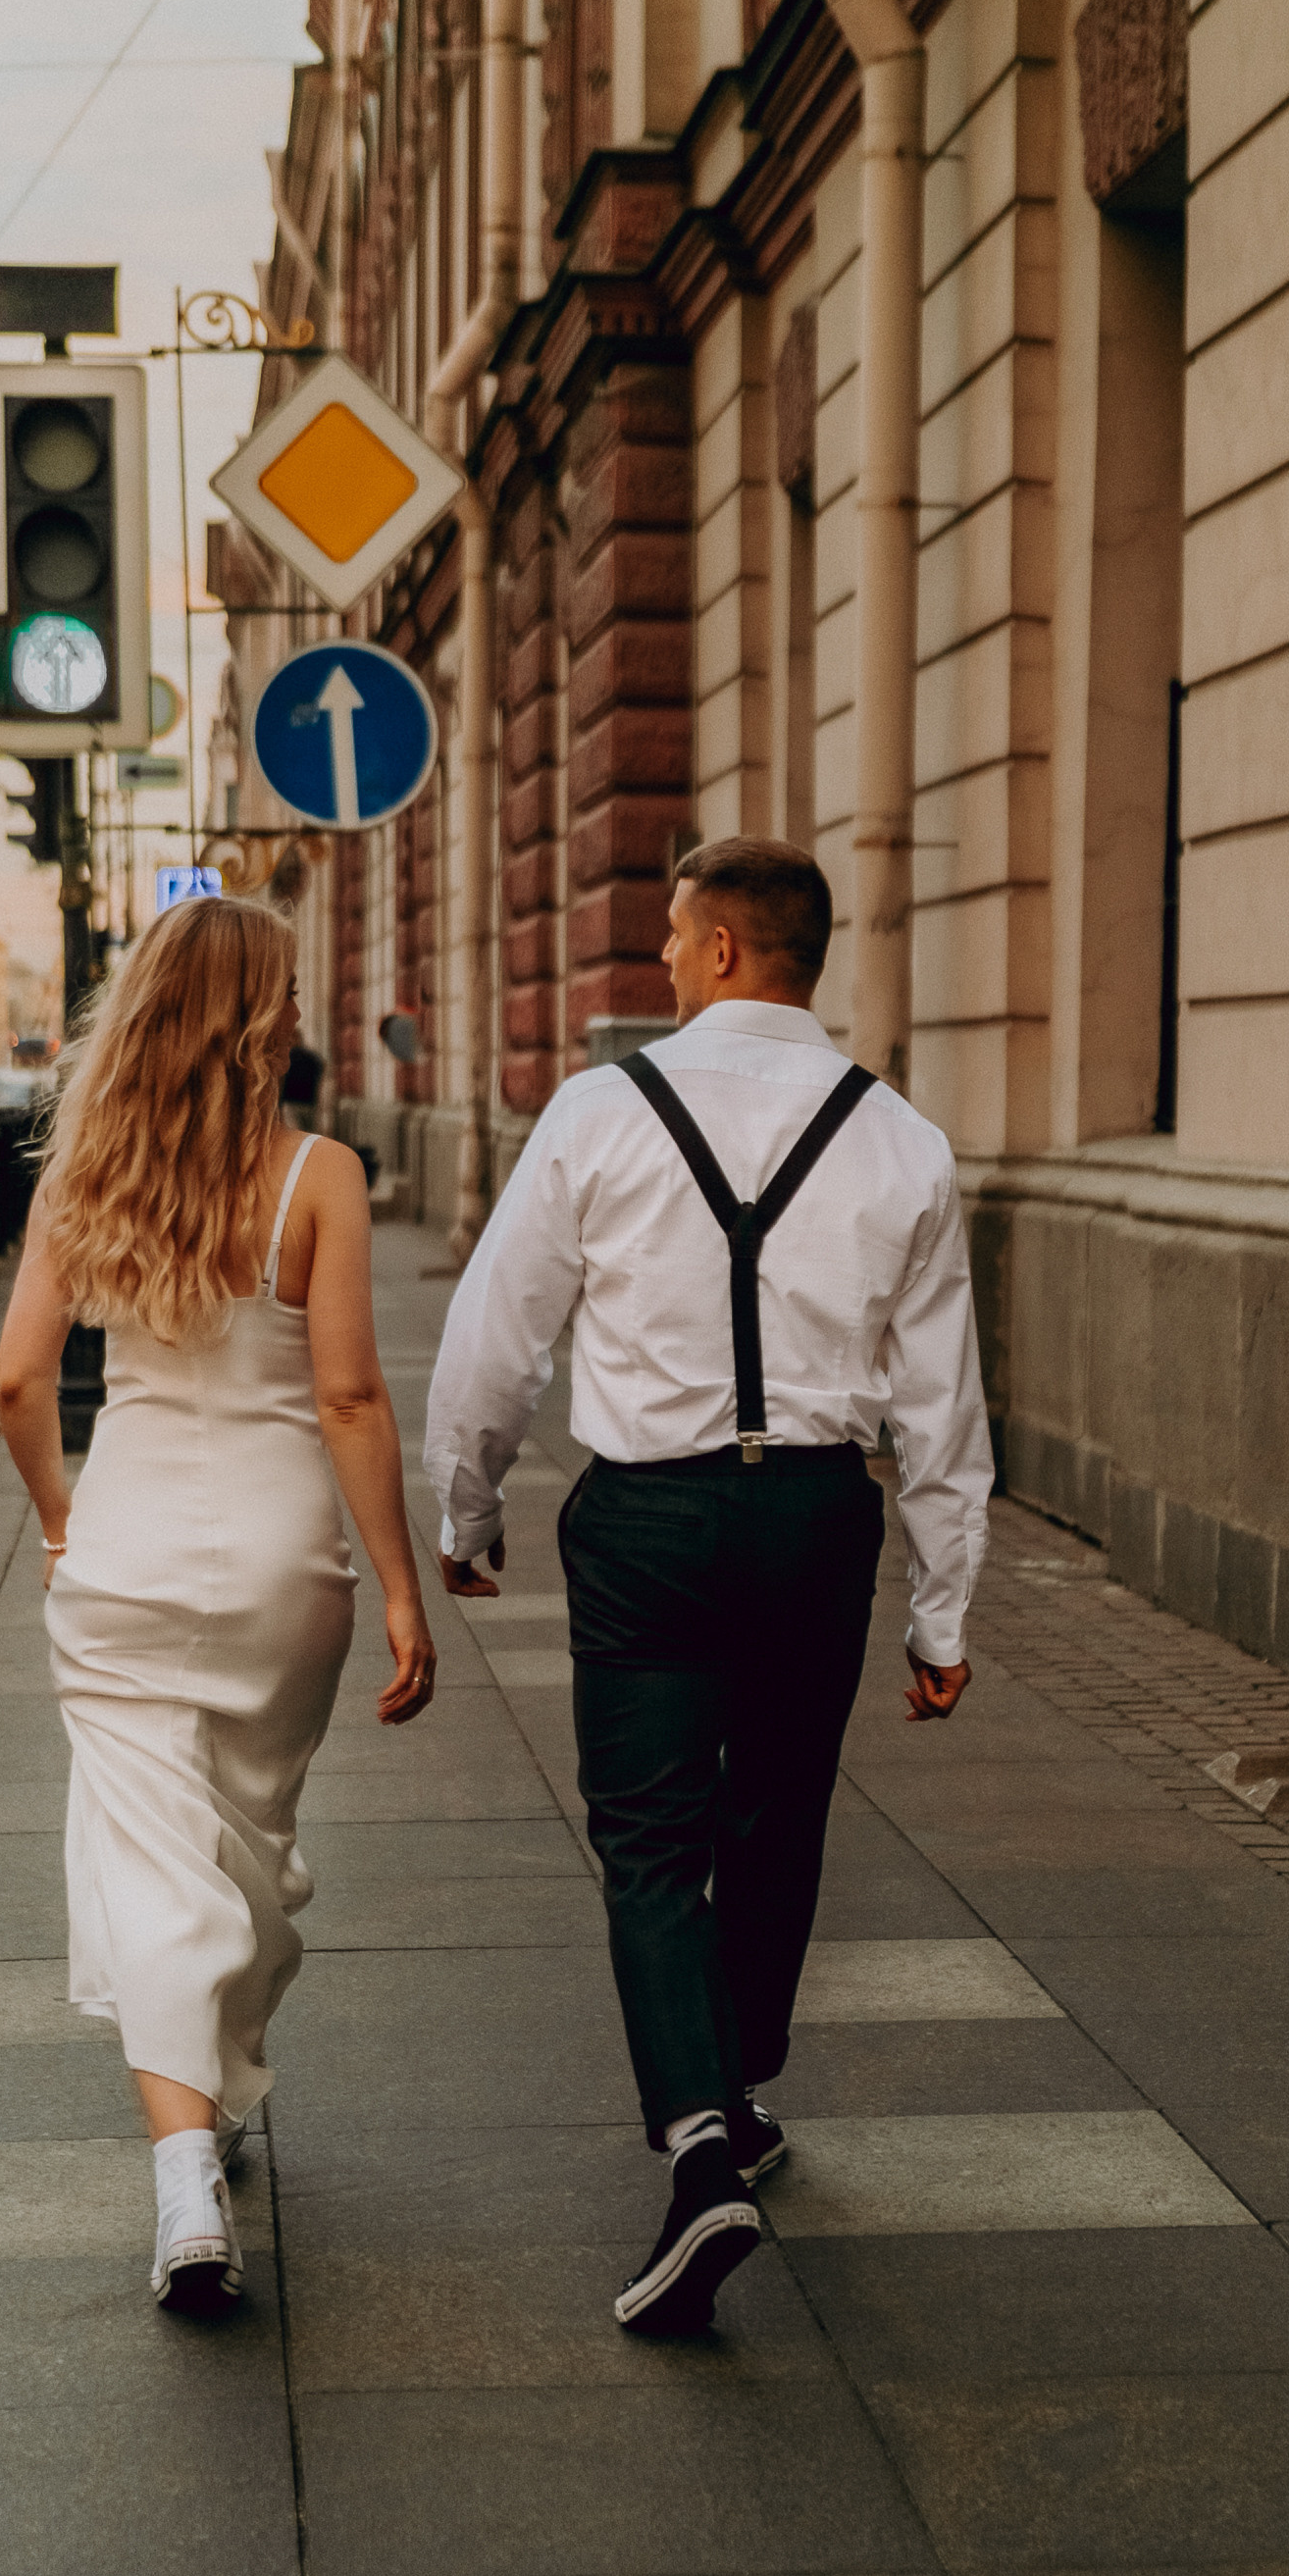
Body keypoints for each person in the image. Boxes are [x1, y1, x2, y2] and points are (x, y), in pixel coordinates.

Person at [423, 836, 993, 2336]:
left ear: (729, 949)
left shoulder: (601, 1114)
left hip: (649, 1526)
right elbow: (944, 1407)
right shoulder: (903, 1141)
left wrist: (465, 1509)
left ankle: (695, 2152)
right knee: (778, 1812)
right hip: (820, 1518)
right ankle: (733, 2097)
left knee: (653, 1837)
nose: (664, 961)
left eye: (675, 936)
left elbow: (497, 1334)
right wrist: (946, 1609)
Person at [0, 896, 437, 2316]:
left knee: (149, 1857)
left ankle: (190, 2165)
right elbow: (352, 1396)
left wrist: (64, 1521)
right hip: (278, 1558)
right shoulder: (321, 1176)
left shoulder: (85, 1169)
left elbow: (16, 1385)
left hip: (122, 1548)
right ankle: (201, 2135)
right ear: (257, 1015)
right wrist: (402, 1589)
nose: (301, 1012)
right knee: (251, 1852)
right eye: (290, 992)